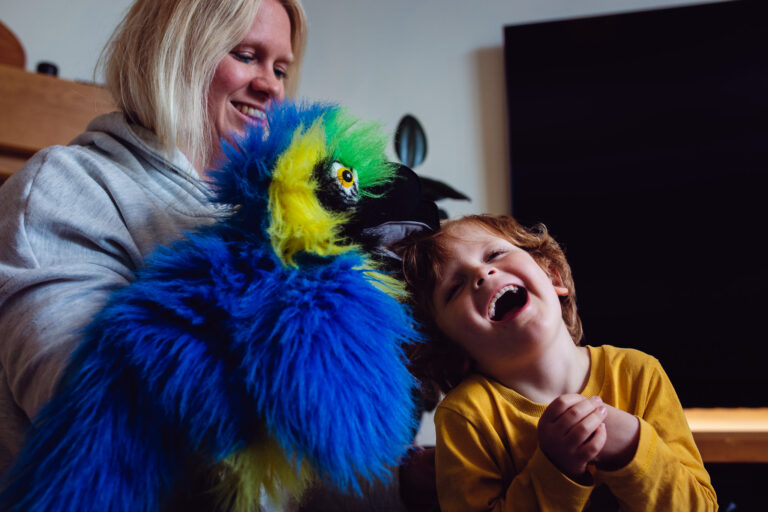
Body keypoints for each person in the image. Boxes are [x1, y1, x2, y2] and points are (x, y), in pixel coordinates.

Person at [0, 0, 307, 475]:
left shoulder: (269, 221)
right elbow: (101, 416)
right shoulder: (66, 186)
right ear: (175, 53)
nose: (270, 85)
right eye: (246, 55)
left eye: (281, 68)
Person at [396, 214, 718, 511]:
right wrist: (554, 469)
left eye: (494, 255)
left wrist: (631, 445)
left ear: (552, 276)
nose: (482, 274)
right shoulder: (466, 417)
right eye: (454, 289)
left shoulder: (640, 373)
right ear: (451, 350)